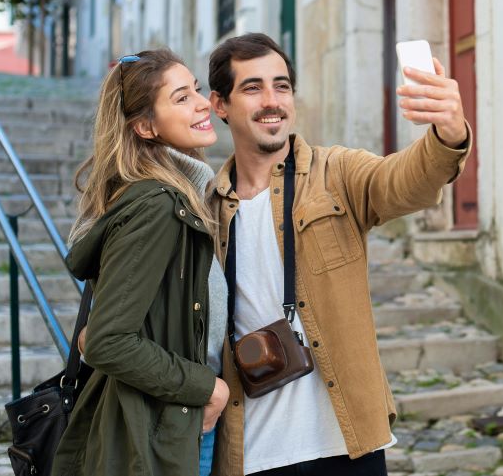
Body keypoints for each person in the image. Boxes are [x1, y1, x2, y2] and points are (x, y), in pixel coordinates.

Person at [206, 33, 471, 476]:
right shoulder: (205, 208)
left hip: (347, 445)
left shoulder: (338, 172)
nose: (272, 100)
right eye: (252, 88)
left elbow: (406, 179)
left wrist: (449, 131)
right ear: (220, 104)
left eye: (282, 85)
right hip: (249, 452)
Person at [52, 49, 230, 476]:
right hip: (164, 426)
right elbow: (108, 341)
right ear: (146, 127)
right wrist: (209, 388)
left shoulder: (180, 193)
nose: (203, 103)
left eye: (197, 91)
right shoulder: (156, 204)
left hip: (172, 417)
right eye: (182, 97)